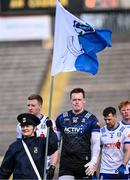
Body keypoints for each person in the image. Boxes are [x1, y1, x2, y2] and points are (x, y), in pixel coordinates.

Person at [55, 88, 100, 179]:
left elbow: (96, 142)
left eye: (79, 99)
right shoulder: (61, 118)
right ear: (70, 101)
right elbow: (56, 143)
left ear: (84, 101)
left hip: (84, 163)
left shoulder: (92, 119)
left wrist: (93, 161)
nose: (77, 102)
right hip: (66, 163)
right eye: (74, 100)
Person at [0, 113, 58, 179]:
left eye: (27, 126)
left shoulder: (42, 142)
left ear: (35, 127)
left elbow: (54, 145)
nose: (25, 128)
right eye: (23, 126)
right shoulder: (14, 147)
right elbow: (4, 171)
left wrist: (50, 130)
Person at [16, 94, 58, 179]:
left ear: (40, 106)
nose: (30, 108)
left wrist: (53, 166)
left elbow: (55, 147)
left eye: (33, 105)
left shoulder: (49, 123)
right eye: (28, 105)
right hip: (28, 167)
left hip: (45, 166)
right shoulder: (21, 125)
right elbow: (19, 147)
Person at [99, 107, 130, 180]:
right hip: (105, 171)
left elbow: (128, 150)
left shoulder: (125, 130)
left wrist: (123, 165)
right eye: (105, 119)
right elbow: (98, 152)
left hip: (120, 170)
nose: (107, 122)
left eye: (109, 119)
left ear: (115, 116)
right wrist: (94, 170)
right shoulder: (101, 131)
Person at [118, 101, 130, 178]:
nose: (126, 112)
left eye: (128, 109)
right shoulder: (117, 127)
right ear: (120, 112)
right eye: (123, 110)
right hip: (122, 165)